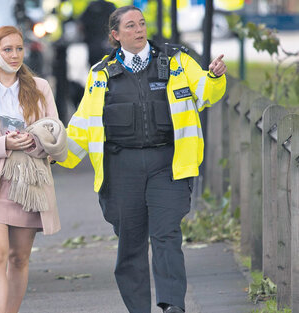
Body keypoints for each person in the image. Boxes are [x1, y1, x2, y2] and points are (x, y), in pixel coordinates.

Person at [58, 6, 227, 313]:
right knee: (131, 244)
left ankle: (173, 305)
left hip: (168, 164)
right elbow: (82, 125)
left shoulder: (176, 61)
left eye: (142, 23)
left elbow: (205, 91)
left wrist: (213, 76)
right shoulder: (100, 73)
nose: (139, 29)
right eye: (131, 25)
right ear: (115, 35)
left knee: (166, 235)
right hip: (122, 169)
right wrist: (53, 153)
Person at [0, 26, 65, 313]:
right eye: (8, 49)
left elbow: (55, 136)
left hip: (29, 185)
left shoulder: (40, 87)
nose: (15, 55)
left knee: (19, 258)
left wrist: (33, 143)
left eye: (19, 48)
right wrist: (4, 143)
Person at [79, 0, 116, 66]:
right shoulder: (109, 6)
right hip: (104, 43)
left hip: (94, 43)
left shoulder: (90, 7)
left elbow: (81, 25)